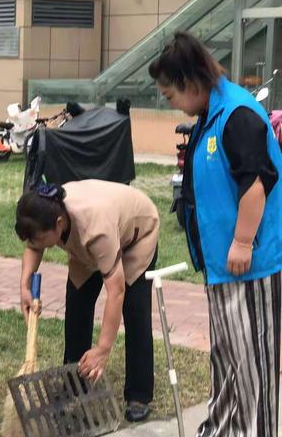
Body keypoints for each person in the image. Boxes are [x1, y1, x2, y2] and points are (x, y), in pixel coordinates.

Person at [149, 31, 282, 436]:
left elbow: (257, 181)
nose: (169, 101)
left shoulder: (236, 114)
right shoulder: (211, 114)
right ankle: (222, 429)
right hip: (225, 271)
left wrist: (243, 242)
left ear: (190, 82)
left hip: (252, 268)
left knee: (255, 369)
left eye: (169, 93)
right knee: (229, 364)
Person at [15, 179, 159, 422]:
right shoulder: (47, 213)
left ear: (59, 224)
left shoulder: (96, 229)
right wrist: (24, 286)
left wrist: (103, 349)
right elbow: (33, 246)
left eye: (40, 238)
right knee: (77, 306)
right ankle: (74, 381)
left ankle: (139, 394)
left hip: (137, 233)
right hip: (87, 241)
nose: (37, 244)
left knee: (135, 310)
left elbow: (116, 292)